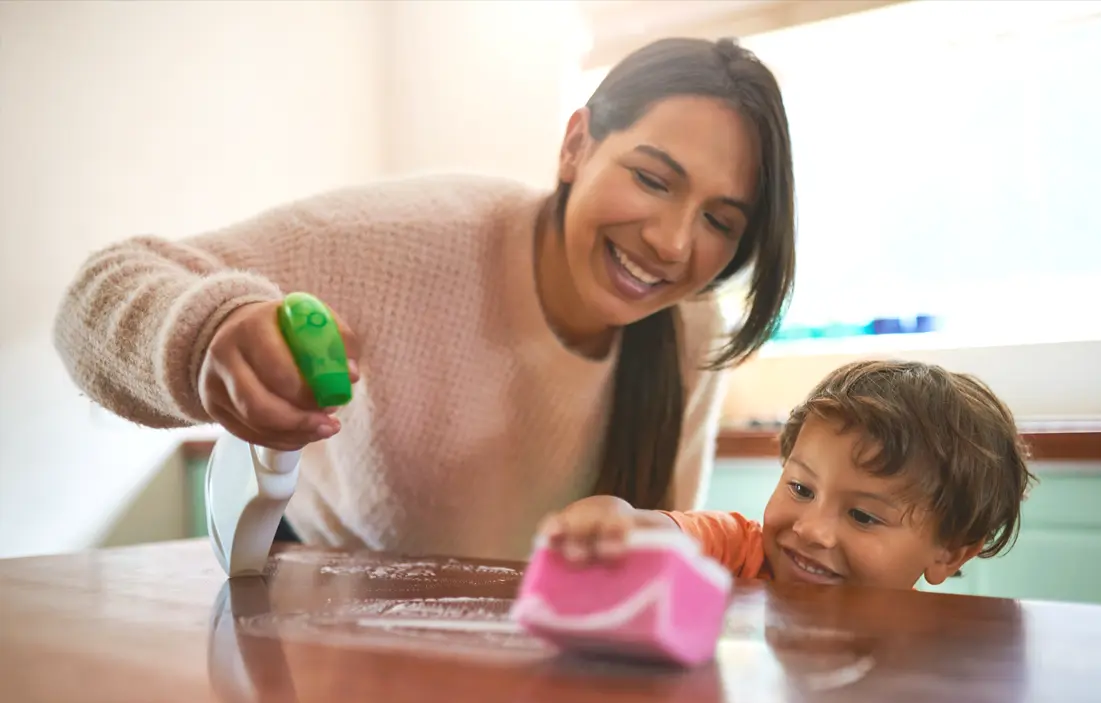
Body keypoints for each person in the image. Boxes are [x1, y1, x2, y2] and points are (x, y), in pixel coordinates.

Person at [52, 38, 796, 559]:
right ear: (576, 145)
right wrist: (213, 333)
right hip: (321, 634)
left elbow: (663, 544)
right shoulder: (405, 238)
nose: (671, 242)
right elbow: (99, 293)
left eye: (719, 221)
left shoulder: (693, 329)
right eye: (653, 179)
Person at [539, 359, 1034, 590]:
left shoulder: (936, 651)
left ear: (948, 551)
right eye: (800, 488)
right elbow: (656, 531)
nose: (810, 530)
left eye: (862, 516)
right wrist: (611, 519)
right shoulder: (737, 552)